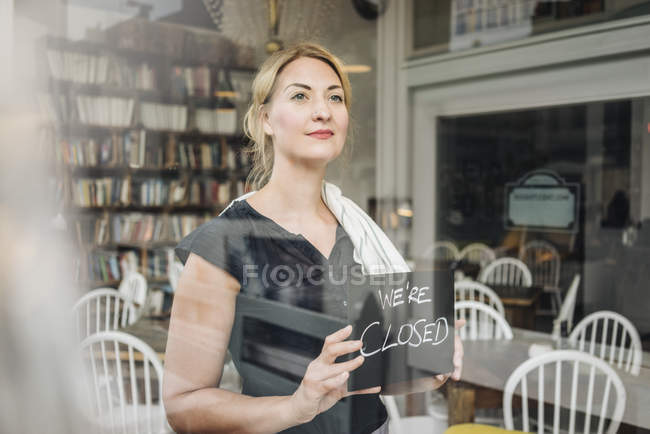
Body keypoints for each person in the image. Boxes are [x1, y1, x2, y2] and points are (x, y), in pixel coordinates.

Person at [163, 42, 464, 433]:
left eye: (334, 97)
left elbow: (368, 371)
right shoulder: (223, 242)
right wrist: (295, 407)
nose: (323, 110)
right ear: (266, 118)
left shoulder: (359, 233)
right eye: (301, 95)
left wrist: (426, 364)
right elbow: (182, 406)